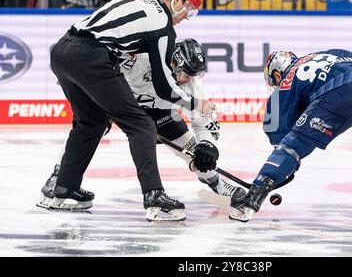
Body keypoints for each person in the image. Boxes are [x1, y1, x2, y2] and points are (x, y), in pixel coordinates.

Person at [46, 0, 215, 222]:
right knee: (142, 126)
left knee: (90, 123)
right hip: (92, 60)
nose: (184, 19)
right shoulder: (162, 25)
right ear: (177, 0)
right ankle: (154, 196)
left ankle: (62, 190)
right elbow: (163, 85)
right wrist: (194, 104)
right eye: (188, 11)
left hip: (62, 52)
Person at [38, 38, 245, 218]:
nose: (188, 80)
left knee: (193, 149)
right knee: (89, 127)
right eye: (185, 74)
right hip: (118, 100)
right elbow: (100, 62)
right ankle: (58, 178)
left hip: (158, 112)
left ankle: (215, 182)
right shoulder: (141, 57)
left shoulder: (191, 83)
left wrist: (208, 145)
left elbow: (204, 119)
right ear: (173, 62)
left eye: (193, 76)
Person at [229, 49, 352, 222]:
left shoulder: (288, 78)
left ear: (276, 72)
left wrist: (283, 166)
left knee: (291, 146)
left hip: (341, 95)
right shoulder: (324, 54)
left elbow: (279, 133)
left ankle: (252, 198)